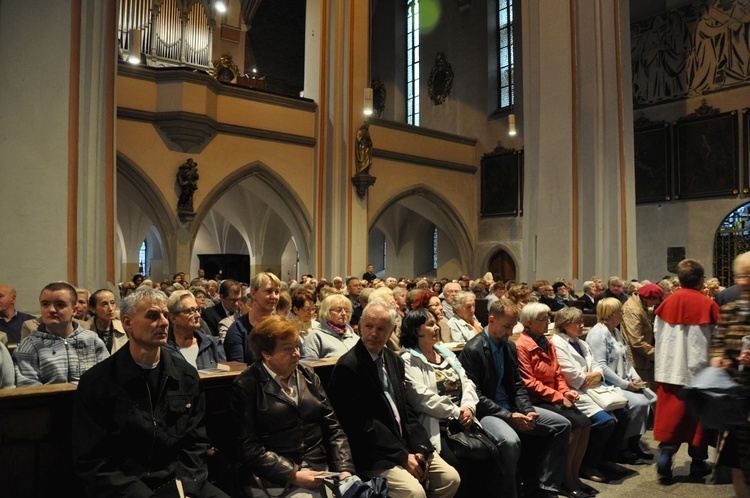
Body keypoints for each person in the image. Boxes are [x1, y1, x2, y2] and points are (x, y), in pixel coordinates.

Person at [72, 287, 229, 497]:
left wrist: (187, 489)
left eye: (165, 315)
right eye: (153, 316)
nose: (164, 322)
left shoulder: (186, 376)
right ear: (128, 323)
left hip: (179, 482)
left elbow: (196, 443)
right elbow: (94, 462)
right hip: (127, 488)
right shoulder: (98, 382)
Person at [328, 301, 460, 498]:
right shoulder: (349, 366)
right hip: (373, 453)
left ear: (391, 332)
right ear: (359, 326)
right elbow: (361, 426)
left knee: (450, 478)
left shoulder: (394, 359)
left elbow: (406, 410)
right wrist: (403, 457)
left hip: (403, 444)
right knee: (414, 493)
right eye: (369, 326)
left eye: (381, 328)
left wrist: (420, 448)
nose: (374, 333)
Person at [230, 315, 354, 497]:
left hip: (320, 468)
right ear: (266, 354)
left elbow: (333, 428)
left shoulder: (308, 375)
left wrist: (344, 469)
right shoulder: (247, 384)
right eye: (288, 349)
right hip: (274, 476)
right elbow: (248, 447)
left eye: (297, 346)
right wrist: (292, 474)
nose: (297, 353)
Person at [459, 299, 571, 498]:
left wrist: (527, 411)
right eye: (507, 326)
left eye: (513, 326)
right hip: (487, 413)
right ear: (491, 320)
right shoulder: (473, 350)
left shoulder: (508, 346)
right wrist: (509, 417)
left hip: (511, 407)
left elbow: (518, 385)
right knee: (510, 441)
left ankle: (544, 488)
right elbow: (476, 396)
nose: (510, 332)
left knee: (562, 425)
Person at [400, 308, 501, 497]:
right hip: (438, 426)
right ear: (415, 330)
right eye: (430, 324)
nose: (437, 327)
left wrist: (468, 407)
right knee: (457, 465)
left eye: (436, 323)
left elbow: (467, 382)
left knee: (491, 455)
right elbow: (422, 398)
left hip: (463, 419)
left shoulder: (445, 353)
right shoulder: (408, 359)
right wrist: (457, 412)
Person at [515, 303, 592, 497]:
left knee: (585, 422)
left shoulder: (546, 341)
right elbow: (529, 383)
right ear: (529, 322)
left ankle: (574, 475)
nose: (548, 322)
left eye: (548, 317)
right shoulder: (522, 345)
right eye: (543, 319)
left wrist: (566, 392)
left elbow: (557, 373)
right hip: (535, 400)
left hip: (552, 397)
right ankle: (564, 479)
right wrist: (559, 396)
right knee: (572, 424)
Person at [653, 258, 719, 480]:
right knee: (698, 422)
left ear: (679, 280)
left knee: (672, 418)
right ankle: (698, 463)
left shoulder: (666, 304)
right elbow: (716, 340)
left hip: (669, 369)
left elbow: (658, 336)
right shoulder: (708, 305)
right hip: (698, 372)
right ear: (701, 280)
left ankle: (666, 453)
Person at [551, 307, 631, 484]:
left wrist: (595, 375)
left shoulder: (581, 342)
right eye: (577, 322)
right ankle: (589, 465)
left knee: (623, 413)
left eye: (582, 321)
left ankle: (607, 459)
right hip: (575, 392)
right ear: (565, 325)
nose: (582, 325)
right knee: (606, 422)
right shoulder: (557, 343)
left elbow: (598, 367)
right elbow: (573, 377)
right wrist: (590, 376)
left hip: (594, 388)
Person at [586, 298, 657, 463]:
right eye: (620, 311)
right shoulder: (598, 333)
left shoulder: (615, 331)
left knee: (654, 398)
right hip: (608, 383)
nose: (623, 313)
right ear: (611, 314)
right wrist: (626, 384)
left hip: (625, 379)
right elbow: (601, 367)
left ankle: (634, 442)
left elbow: (626, 359)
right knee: (639, 403)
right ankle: (622, 448)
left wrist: (635, 376)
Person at [709, 251, 750, 497]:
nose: (745, 281)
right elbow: (718, 342)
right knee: (738, 462)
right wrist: (718, 359)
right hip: (737, 397)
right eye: (741, 275)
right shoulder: (731, 309)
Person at [14, 282, 109, 387]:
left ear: (74, 310)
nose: (51, 310)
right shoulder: (29, 346)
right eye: (45, 304)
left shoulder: (92, 340)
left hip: (90, 401)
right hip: (48, 401)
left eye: (60, 304)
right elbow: (29, 390)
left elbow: (107, 378)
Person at [225, 273, 280, 363]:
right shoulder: (237, 329)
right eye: (269, 291)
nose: (274, 296)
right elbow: (238, 370)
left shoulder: (283, 326)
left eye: (277, 292)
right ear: (253, 294)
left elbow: (300, 358)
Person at [164, 290, 225, 370]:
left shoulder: (212, 344)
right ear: (173, 318)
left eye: (197, 309)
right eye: (191, 311)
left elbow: (224, 376)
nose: (198, 315)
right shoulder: (163, 348)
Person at [620, 282, 664, 383]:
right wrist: (658, 355)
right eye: (655, 300)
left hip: (643, 357)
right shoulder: (633, 310)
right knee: (642, 389)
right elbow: (636, 341)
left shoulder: (639, 304)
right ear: (648, 298)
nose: (656, 303)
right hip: (636, 360)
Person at [304, 294, 359, 359]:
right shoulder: (315, 336)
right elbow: (309, 364)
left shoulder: (354, 337)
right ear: (326, 311)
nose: (344, 313)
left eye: (347, 311)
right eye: (338, 310)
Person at [86, 289, 128, 354]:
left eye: (112, 303)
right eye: (104, 304)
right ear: (92, 309)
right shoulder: (84, 329)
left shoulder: (124, 328)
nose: (110, 308)